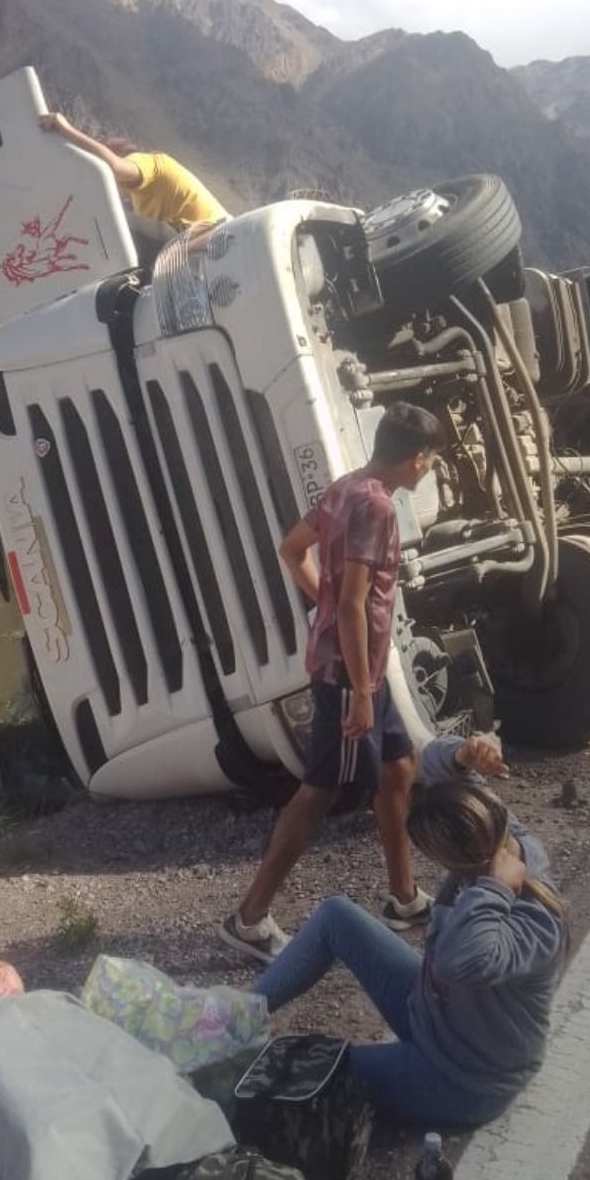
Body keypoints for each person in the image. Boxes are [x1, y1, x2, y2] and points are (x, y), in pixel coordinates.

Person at [220, 402, 448, 963]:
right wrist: (363, 690)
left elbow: (291, 548)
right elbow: (350, 604)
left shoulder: (348, 487)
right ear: (418, 458)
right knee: (320, 791)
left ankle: (403, 897)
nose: (429, 469)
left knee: (397, 768)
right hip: (351, 673)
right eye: (431, 460)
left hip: (354, 665)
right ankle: (248, 920)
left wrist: (320, 600)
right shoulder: (377, 508)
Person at [251, 734, 568, 1126]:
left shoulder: (536, 922)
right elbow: (432, 762)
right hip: (433, 1012)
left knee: (287, 1070)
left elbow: (461, 958)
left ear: (456, 858)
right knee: (337, 916)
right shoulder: (495, 832)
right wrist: (464, 754)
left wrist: (495, 890)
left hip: (461, 1079)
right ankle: (238, 1017)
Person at [38, 112, 229, 232]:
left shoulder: (147, 164)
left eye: (108, 144)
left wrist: (66, 129)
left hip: (214, 238)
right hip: (213, 239)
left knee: (121, 229)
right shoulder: (141, 192)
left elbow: (112, 165)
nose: (108, 142)